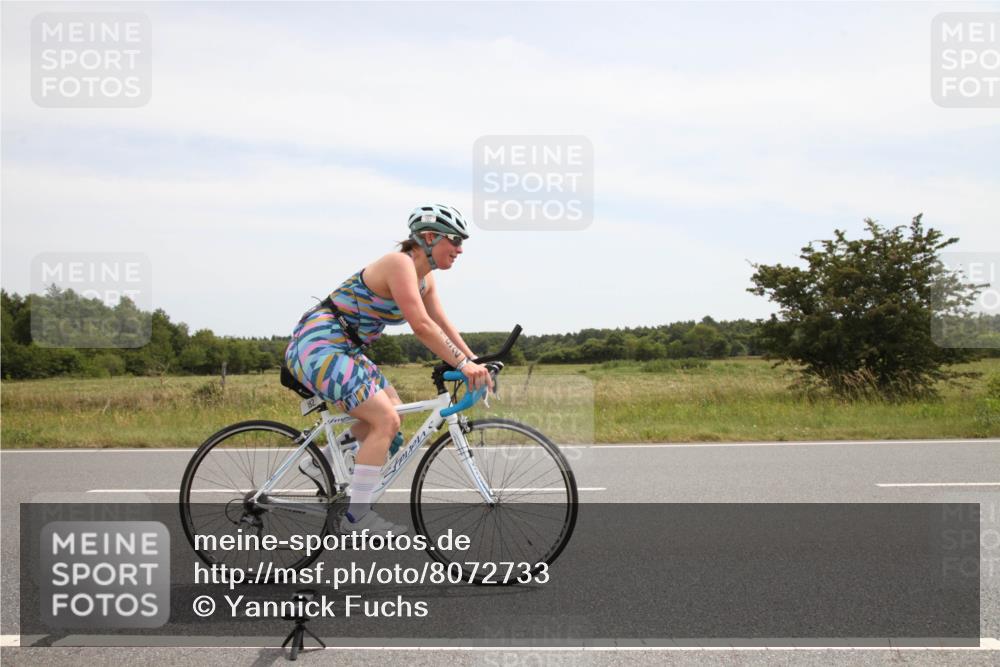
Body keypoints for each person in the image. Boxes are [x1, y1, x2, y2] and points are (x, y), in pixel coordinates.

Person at [283, 204, 493, 537]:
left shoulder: (425, 280)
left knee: (393, 412)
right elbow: (421, 326)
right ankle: (357, 519)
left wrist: (476, 361)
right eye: (454, 240)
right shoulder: (399, 264)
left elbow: (441, 323)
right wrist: (464, 365)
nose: (460, 249)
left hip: (346, 349)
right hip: (319, 344)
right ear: (429, 237)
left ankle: (320, 463)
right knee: (385, 419)